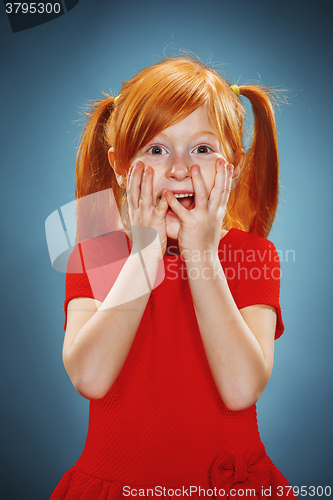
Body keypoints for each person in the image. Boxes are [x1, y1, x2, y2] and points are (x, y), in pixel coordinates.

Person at [50, 56, 296, 499]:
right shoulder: (98, 254)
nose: (180, 168)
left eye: (202, 149)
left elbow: (241, 388)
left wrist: (201, 253)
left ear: (233, 166)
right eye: (156, 149)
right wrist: (144, 255)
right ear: (123, 169)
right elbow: (90, 376)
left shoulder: (252, 255)